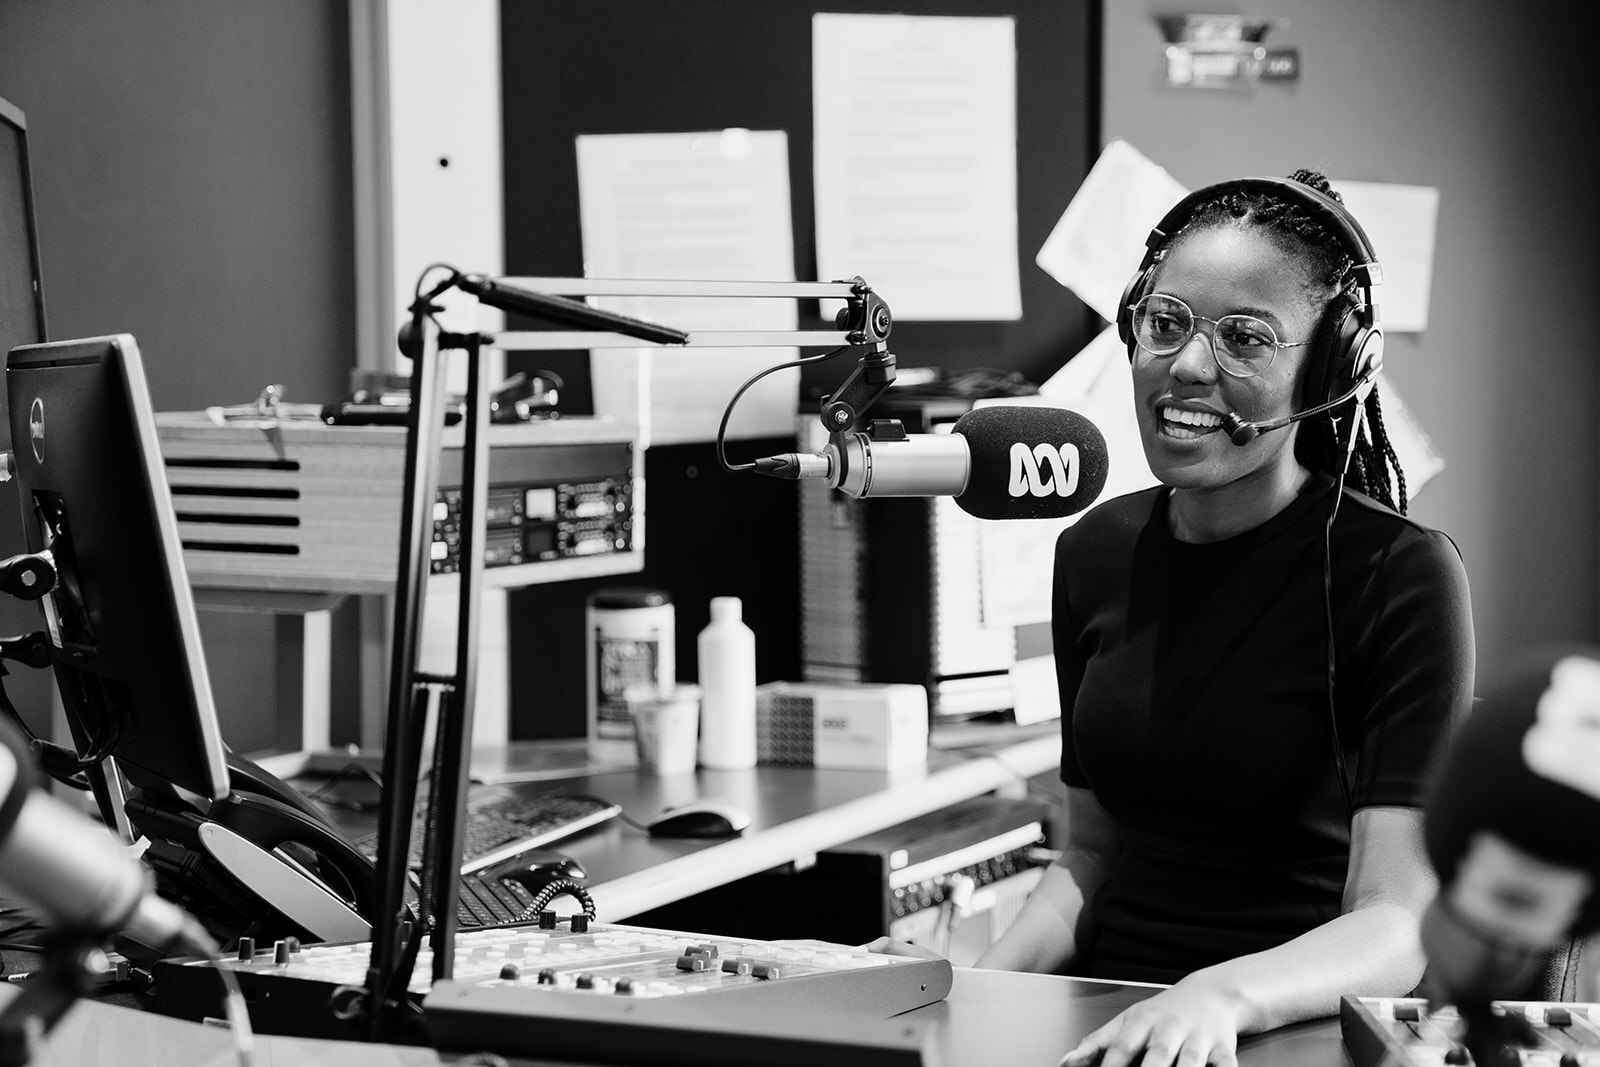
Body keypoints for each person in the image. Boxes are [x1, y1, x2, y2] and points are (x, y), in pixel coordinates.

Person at [974, 171, 1476, 1067]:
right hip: (1108, 1024)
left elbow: (1396, 922)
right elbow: (1089, 860)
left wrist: (1217, 994)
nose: (1189, 366)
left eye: (1245, 338)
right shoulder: (1092, 552)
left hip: (1285, 1025)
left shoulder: (1398, 574)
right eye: (1166, 323)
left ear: (1330, 369)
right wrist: (965, 992)